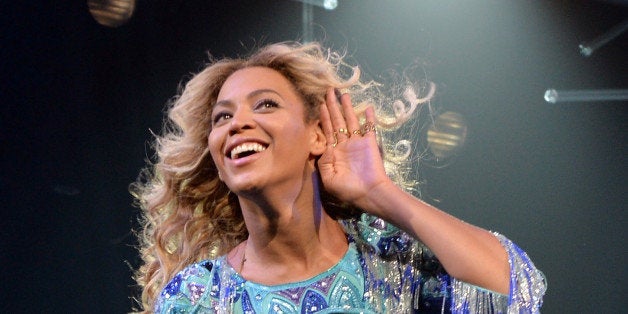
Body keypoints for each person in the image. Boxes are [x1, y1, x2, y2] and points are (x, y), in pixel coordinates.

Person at [131, 42, 546, 313]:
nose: (238, 123)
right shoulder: (198, 298)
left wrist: (379, 193)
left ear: (317, 134)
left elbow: (515, 289)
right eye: (223, 117)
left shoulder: (390, 262)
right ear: (218, 161)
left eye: (265, 105)